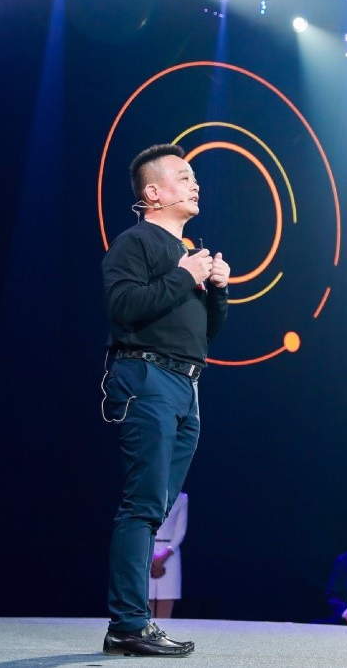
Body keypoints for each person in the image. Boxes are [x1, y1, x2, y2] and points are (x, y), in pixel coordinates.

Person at [100, 144, 229, 657]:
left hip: (186, 384)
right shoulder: (135, 243)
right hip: (147, 377)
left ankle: (133, 624)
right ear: (153, 193)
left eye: (194, 176)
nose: (195, 184)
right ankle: (128, 624)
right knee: (142, 504)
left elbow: (204, 333)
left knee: (155, 508)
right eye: (183, 176)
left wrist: (217, 289)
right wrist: (186, 276)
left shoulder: (189, 253)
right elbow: (123, 306)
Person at [149, 492, 188, 619]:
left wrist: (163, 558)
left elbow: (180, 532)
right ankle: (146, 631)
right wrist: (151, 557)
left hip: (170, 554)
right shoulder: (147, 492)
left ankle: (163, 631)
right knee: (146, 598)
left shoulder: (181, 498)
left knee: (166, 597)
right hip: (147, 550)